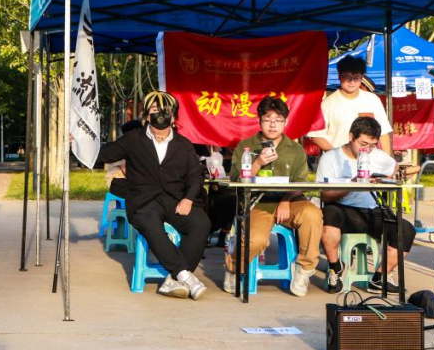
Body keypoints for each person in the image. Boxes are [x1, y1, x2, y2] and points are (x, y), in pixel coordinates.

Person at [94, 91, 211, 300]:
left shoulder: (183, 145)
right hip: (143, 201)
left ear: (173, 117)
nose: (161, 115)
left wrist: (188, 198)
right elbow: (103, 155)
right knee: (150, 223)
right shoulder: (133, 139)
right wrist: (78, 143)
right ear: (148, 115)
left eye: (166, 111)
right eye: (156, 110)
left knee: (201, 223)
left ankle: (173, 281)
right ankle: (185, 276)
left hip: (175, 200)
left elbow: (196, 176)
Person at [223, 96, 324, 296]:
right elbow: (236, 181)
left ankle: (304, 269)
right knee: (257, 240)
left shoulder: (295, 149)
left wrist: (285, 200)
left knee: (312, 214)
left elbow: (300, 183)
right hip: (258, 203)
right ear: (259, 121)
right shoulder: (247, 146)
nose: (272, 124)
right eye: (267, 119)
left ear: (286, 122)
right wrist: (257, 163)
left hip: (290, 202)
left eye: (278, 120)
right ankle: (233, 266)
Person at [318, 116, 416, 293]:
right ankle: (335, 267)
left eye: (372, 145)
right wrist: (352, 184)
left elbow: (393, 167)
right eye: (363, 144)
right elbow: (325, 196)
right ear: (351, 137)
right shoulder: (331, 158)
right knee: (328, 215)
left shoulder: (377, 156)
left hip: (371, 209)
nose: (367, 150)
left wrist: (383, 179)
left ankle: (380, 277)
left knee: (406, 230)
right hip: (342, 209)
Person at [308, 55, 393, 155]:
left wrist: (387, 159)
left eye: (356, 77)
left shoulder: (373, 100)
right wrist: (337, 155)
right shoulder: (327, 104)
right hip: (339, 161)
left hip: (369, 159)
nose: (352, 82)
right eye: (347, 77)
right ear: (339, 76)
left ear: (362, 77)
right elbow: (316, 135)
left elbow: (384, 133)